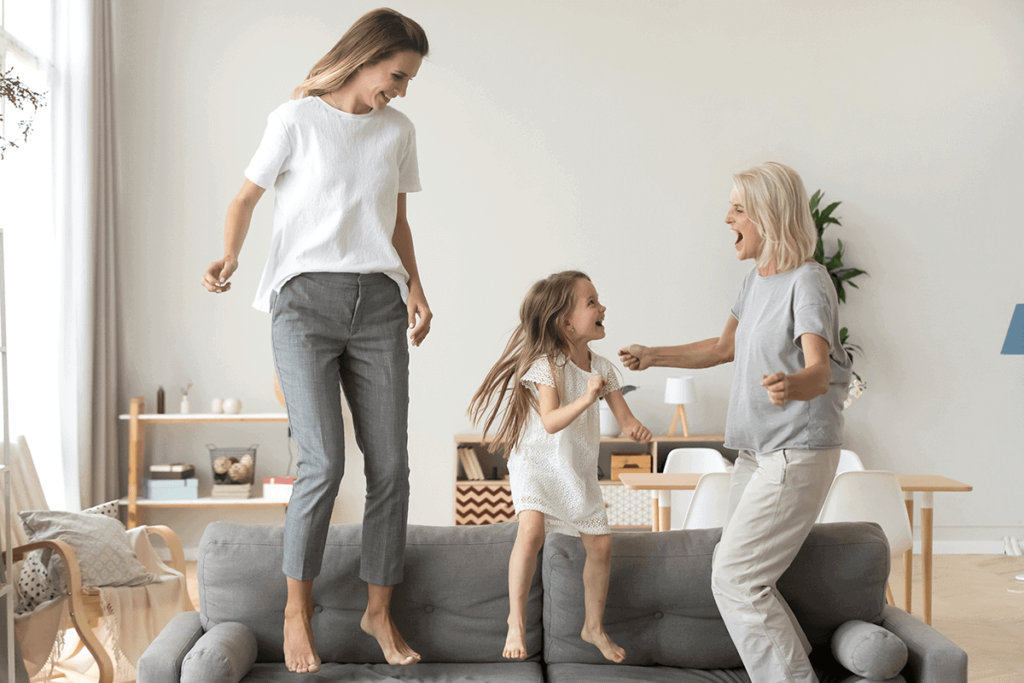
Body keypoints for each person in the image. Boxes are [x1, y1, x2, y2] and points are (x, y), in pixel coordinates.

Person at [200, 8, 431, 673]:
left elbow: (398, 221)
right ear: (367, 57)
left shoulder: (398, 131)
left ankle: (378, 608)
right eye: (398, 74)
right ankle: (295, 608)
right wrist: (229, 257)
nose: (402, 89)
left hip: (380, 305)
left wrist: (416, 287)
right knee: (323, 461)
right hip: (302, 303)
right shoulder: (295, 120)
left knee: (391, 465)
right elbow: (244, 199)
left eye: (409, 79)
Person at [619, 162, 852, 683]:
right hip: (755, 452)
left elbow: (819, 369)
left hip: (797, 451)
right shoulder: (755, 281)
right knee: (741, 578)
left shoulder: (809, 280)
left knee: (736, 578)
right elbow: (722, 347)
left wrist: (792, 386)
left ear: (770, 215)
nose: (727, 218)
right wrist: (652, 355)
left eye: (739, 209)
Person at [469, 270, 652, 663]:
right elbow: (550, 421)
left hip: (575, 467)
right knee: (531, 530)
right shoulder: (545, 365)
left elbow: (624, 416)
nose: (603, 307)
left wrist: (635, 428)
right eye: (592, 303)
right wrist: (588, 398)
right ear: (565, 322)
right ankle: (515, 621)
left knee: (601, 544)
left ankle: (593, 626)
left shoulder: (602, 367)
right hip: (536, 461)